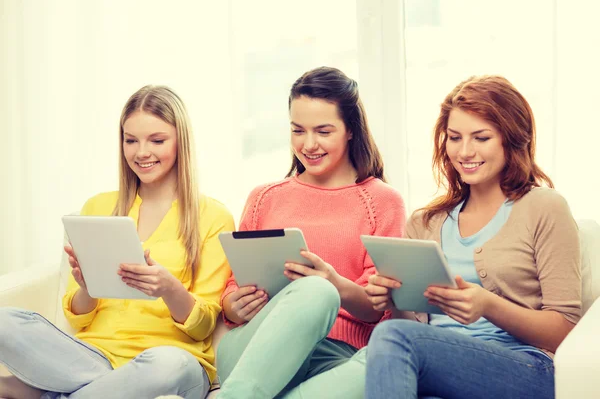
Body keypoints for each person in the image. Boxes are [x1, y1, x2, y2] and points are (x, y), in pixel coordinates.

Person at [0, 85, 235, 399]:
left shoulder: (213, 216)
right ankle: (94, 389)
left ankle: (40, 392)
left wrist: (169, 288)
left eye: (157, 140)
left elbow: (203, 326)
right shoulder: (98, 207)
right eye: (131, 140)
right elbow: (76, 315)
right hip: (90, 357)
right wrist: (86, 286)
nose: (141, 153)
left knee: (167, 364)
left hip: (171, 362)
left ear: (181, 142)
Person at [364, 75, 581, 399]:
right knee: (394, 335)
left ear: (511, 139)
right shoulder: (424, 223)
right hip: (440, 368)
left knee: (392, 336)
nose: (465, 151)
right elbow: (414, 326)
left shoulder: (544, 207)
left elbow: (565, 330)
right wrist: (393, 300)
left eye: (481, 138)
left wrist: (489, 305)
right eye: (454, 137)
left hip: (525, 369)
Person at [216, 66, 406, 398]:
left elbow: (379, 309)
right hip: (255, 349)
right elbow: (231, 293)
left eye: (323, 131)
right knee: (314, 292)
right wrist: (236, 305)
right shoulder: (264, 198)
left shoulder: (382, 202)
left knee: (386, 362)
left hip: (333, 359)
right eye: (297, 130)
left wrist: (336, 284)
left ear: (350, 130)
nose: (309, 144)